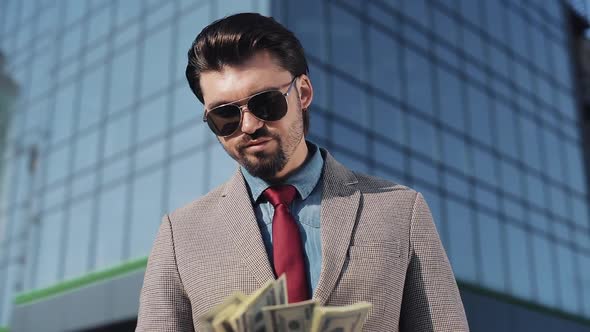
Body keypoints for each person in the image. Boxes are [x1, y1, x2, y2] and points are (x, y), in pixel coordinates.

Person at [136, 12, 469, 331]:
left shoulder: (400, 210)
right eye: (225, 116)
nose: (250, 125)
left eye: (265, 103)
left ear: (304, 93)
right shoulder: (180, 236)